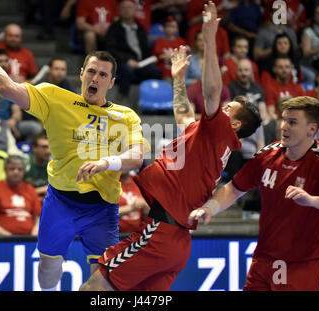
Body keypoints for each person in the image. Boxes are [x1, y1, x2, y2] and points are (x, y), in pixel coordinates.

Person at [79, 2, 262, 291]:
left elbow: (212, 90)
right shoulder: (207, 138)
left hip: (162, 232)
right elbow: (183, 115)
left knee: (93, 288)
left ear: (235, 124)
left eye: (229, 108)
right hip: (176, 242)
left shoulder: (222, 130)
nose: (221, 108)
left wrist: (210, 36)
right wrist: (178, 79)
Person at [0, 37, 148, 291]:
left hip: (102, 210)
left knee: (103, 283)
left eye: (103, 75)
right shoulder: (54, 98)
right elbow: (5, 87)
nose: (95, 78)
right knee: (47, 273)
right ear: (81, 74)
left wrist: (107, 162)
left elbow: (137, 157)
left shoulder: (125, 116)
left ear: (112, 82)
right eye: (91, 71)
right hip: (61, 203)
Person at [189, 96, 319, 291]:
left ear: (312, 129)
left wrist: (312, 200)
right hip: (265, 260)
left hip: (307, 264)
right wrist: (210, 207)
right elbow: (234, 188)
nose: (284, 126)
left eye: (292, 122)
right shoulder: (268, 155)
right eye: (283, 119)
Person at [105, 0, 162, 98]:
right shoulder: (114, 28)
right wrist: (127, 60)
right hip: (123, 62)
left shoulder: (140, 28)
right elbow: (111, 50)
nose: (127, 10)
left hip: (141, 63)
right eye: (124, 8)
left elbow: (145, 48)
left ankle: (151, 98)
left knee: (155, 71)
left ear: (135, 10)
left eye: (130, 8)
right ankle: (123, 99)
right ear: (119, 11)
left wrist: (149, 59)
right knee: (126, 70)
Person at [0, 155, 41, 236]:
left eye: (20, 169)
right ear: (5, 170)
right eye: (12, 169)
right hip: (3, 240)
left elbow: (38, 220)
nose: (16, 172)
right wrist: (10, 239)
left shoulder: (30, 189)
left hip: (29, 240)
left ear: (24, 171)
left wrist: (32, 238)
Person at [152, 16, 187, 81]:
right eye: (168, 26)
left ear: (177, 28)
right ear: (164, 28)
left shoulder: (181, 41)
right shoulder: (159, 41)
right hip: (164, 71)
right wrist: (175, 56)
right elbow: (158, 56)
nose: (170, 29)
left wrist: (168, 56)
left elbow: (183, 57)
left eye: (173, 27)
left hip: (178, 70)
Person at [25, 131, 51, 202]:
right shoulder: (24, 162)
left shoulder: (53, 163)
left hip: (45, 199)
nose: (48, 151)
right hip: (26, 200)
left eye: (49, 147)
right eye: (44, 147)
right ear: (34, 148)